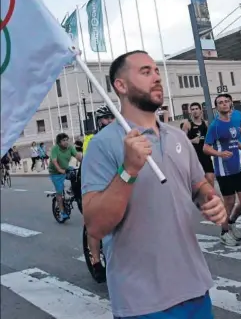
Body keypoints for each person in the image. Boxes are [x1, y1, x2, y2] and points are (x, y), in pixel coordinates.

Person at [81, 50, 225, 319]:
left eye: (157, 71)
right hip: (142, 301)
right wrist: (129, 169)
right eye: (145, 72)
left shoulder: (177, 137)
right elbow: (97, 226)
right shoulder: (102, 145)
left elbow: (198, 186)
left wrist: (210, 200)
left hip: (195, 287)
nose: (157, 77)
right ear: (120, 86)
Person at [204, 93, 241, 246]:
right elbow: (206, 148)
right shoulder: (215, 126)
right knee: (229, 202)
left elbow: (235, 141)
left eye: (226, 101)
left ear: (230, 104)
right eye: (220, 103)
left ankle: (231, 222)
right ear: (216, 107)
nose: (224, 104)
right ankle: (224, 232)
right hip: (224, 170)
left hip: (238, 167)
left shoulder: (234, 120)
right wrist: (219, 153)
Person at [78, 104, 116, 283]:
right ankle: (95, 261)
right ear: (99, 120)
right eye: (105, 118)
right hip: (93, 183)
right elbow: (88, 162)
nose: (109, 121)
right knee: (92, 222)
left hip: (117, 183)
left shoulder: (121, 136)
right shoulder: (91, 139)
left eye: (112, 117)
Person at [48, 133, 82, 222]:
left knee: (77, 175)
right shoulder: (55, 149)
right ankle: (62, 212)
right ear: (59, 142)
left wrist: (85, 161)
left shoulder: (70, 147)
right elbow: (54, 161)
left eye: (67, 139)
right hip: (55, 172)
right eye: (63, 140)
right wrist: (59, 170)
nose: (66, 142)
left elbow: (78, 156)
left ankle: (71, 189)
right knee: (59, 192)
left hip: (65, 168)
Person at [181, 102, 215, 186]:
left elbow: (211, 139)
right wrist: (192, 141)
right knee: (199, 184)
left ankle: (211, 198)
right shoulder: (187, 124)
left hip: (205, 156)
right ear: (190, 112)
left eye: (196, 109)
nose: (195, 111)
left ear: (201, 110)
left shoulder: (206, 124)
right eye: (192, 109)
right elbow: (181, 140)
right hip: (194, 158)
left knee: (210, 179)